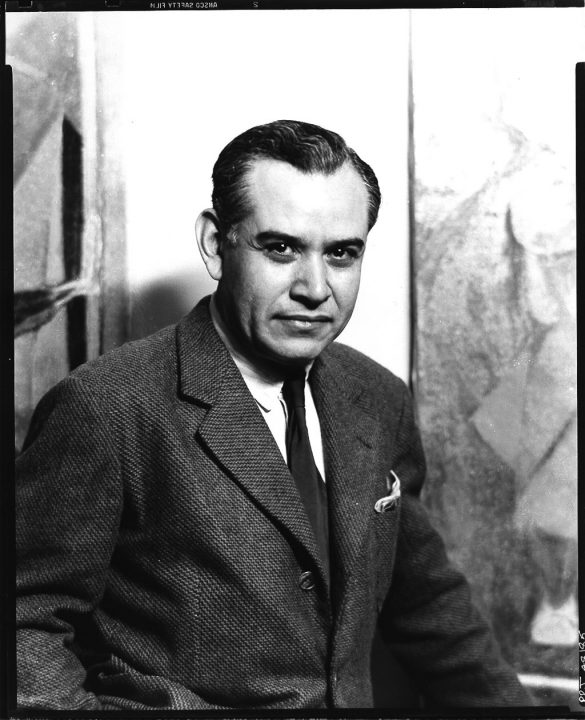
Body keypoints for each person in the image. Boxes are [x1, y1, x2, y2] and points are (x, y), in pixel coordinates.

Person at [16, 120, 532, 711]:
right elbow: (21, 624)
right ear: (215, 244)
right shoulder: (105, 408)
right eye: (281, 248)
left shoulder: (378, 397)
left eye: (341, 253)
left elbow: (429, 607)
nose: (314, 288)